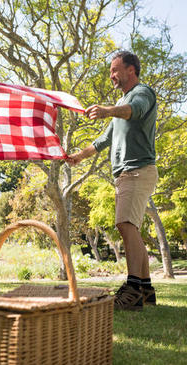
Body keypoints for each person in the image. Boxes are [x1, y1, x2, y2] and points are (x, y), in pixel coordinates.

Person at [67, 51, 158, 311]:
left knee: (125, 224)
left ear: (131, 70)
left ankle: (132, 290)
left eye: (115, 70)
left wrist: (107, 110)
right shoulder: (122, 103)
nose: (111, 75)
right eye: (110, 71)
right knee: (131, 228)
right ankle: (145, 289)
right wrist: (78, 156)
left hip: (136, 170)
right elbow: (103, 140)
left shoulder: (142, 93)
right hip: (127, 173)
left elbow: (135, 111)